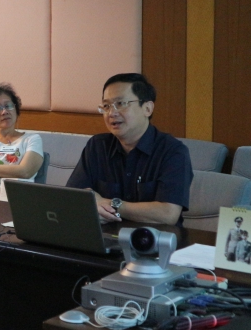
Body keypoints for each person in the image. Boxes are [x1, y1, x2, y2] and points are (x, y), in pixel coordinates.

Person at [66, 73, 192, 226]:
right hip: (104, 236)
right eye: (106, 106)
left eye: (121, 103)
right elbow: (73, 196)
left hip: (153, 238)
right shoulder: (97, 146)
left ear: (147, 108)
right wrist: (92, 201)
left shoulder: (173, 152)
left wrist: (110, 204)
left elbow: (167, 214)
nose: (112, 113)